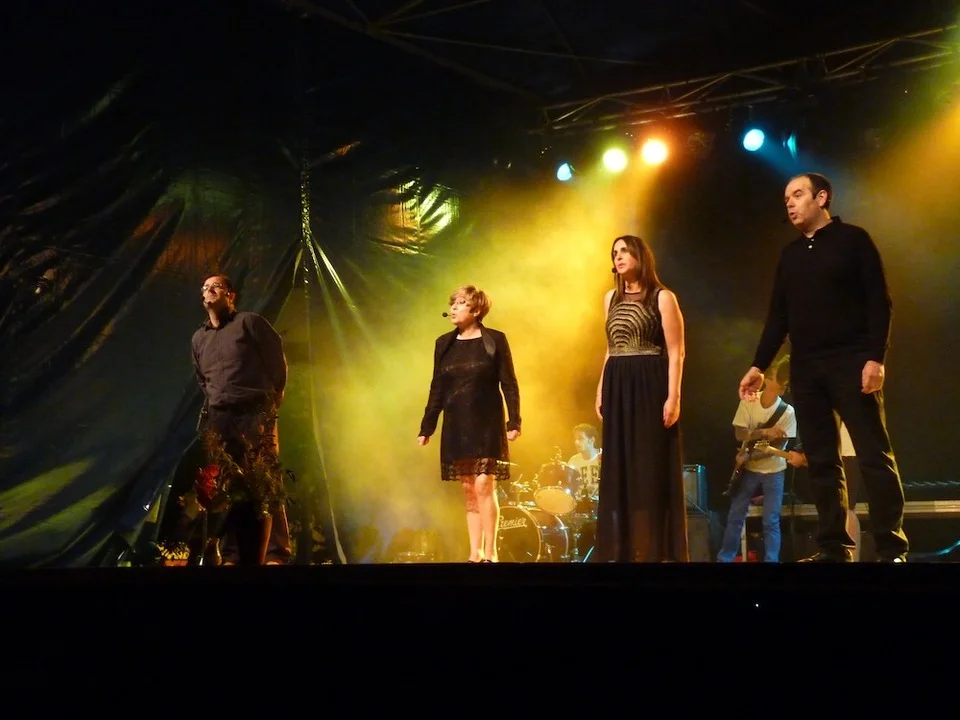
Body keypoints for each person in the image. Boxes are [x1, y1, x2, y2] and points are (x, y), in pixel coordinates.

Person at [738, 172, 908, 563]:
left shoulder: (854, 240)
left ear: (822, 197)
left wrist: (876, 357)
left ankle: (891, 548)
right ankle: (834, 548)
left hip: (852, 361)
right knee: (821, 460)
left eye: (798, 194)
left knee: (873, 454)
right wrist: (758, 365)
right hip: (807, 368)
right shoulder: (790, 255)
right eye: (786, 198)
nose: (790, 203)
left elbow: (879, 301)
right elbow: (778, 318)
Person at [593, 235, 688, 563]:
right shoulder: (610, 298)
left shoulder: (662, 297)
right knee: (619, 466)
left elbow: (676, 351)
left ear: (640, 255)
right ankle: (623, 552)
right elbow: (610, 347)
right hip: (618, 383)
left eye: (624, 251)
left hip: (649, 384)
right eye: (614, 253)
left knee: (648, 466)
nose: (618, 257)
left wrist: (673, 396)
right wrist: (601, 387)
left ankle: (652, 551)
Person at [191, 273, 291, 566]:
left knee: (264, 480)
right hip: (221, 417)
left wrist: (272, 402)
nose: (209, 290)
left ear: (230, 295)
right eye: (205, 287)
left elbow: (277, 363)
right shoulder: (199, 338)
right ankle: (233, 553)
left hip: (255, 412)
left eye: (216, 286)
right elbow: (202, 378)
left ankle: (276, 553)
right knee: (228, 485)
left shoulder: (250, 323)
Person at [418, 285, 521, 563]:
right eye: (452, 303)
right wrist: (427, 426)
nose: (453, 308)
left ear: (475, 310)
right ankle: (475, 553)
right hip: (457, 424)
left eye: (460, 303)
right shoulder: (444, 344)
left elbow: (509, 383)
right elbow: (437, 387)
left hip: (486, 423)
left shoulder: (494, 340)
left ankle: (491, 552)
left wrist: (514, 420)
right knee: (468, 489)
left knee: (484, 484)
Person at [717, 355, 801, 563]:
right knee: (735, 516)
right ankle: (725, 558)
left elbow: (778, 447)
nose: (782, 382)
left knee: (771, 521)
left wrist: (749, 456)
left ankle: (771, 560)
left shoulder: (787, 412)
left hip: (774, 471)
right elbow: (739, 434)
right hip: (749, 470)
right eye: (777, 376)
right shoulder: (750, 401)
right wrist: (764, 432)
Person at [567, 423, 601, 500]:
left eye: (580, 438)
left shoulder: (602, 457)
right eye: (575, 439)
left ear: (591, 440)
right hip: (580, 504)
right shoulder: (573, 461)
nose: (576, 442)